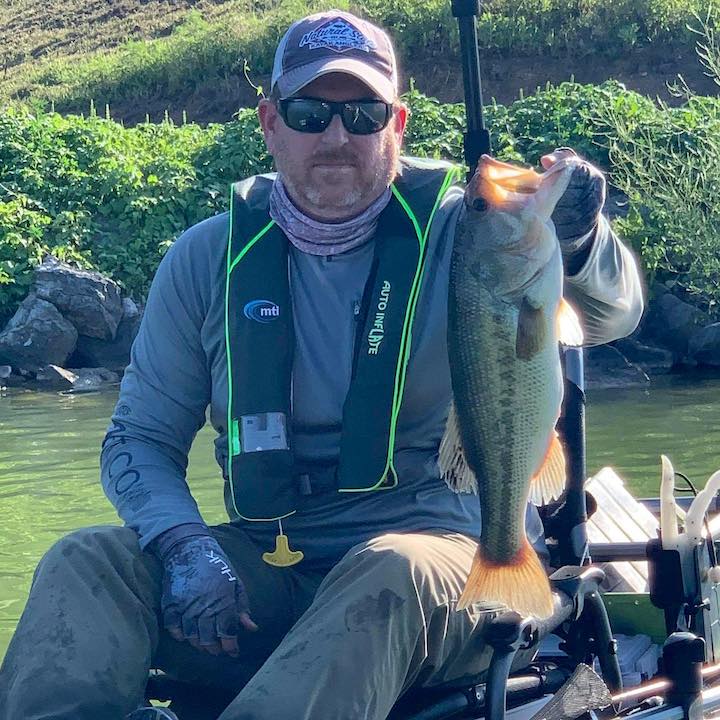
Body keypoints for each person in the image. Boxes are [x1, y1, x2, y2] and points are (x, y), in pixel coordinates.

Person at [0, 9, 644, 720]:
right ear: (270, 123)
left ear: (397, 125)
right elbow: (139, 439)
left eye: (363, 114)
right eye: (310, 113)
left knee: (386, 573)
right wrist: (187, 547)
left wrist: (580, 236)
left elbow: (614, 313)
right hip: (269, 567)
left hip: (445, 564)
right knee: (86, 561)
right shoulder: (205, 258)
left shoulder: (477, 233)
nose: (336, 137)